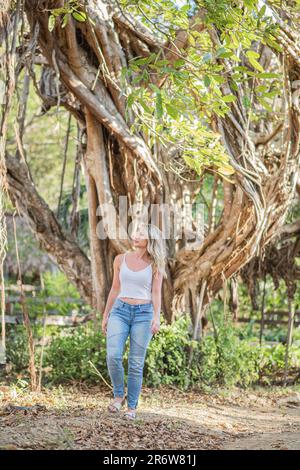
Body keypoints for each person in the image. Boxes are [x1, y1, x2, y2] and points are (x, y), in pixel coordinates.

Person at [101, 222, 167, 420]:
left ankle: (131, 407)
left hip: (143, 314)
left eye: (141, 233)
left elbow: (156, 293)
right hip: (120, 311)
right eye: (136, 232)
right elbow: (114, 288)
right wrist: (106, 315)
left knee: (136, 364)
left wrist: (156, 317)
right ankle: (118, 395)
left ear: (150, 240)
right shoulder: (120, 259)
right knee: (113, 356)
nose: (135, 235)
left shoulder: (156, 265)